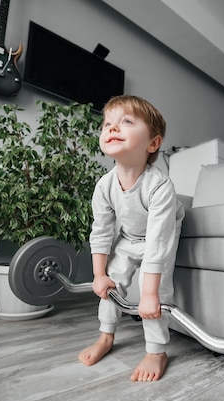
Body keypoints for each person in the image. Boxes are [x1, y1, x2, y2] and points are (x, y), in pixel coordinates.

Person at [78, 95, 185, 382]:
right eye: (107, 124)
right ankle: (105, 336)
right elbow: (101, 230)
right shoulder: (104, 185)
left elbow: (159, 244)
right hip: (129, 236)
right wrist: (99, 275)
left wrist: (148, 294)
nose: (112, 128)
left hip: (160, 234)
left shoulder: (160, 185)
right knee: (112, 281)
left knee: (156, 288)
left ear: (152, 143)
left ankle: (156, 350)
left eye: (126, 122)